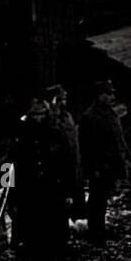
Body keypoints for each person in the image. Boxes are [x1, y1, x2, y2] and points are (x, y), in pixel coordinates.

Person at [10, 97, 72, 261]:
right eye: (34, 114)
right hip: (28, 190)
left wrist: (68, 190)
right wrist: (7, 191)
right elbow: (9, 164)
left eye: (41, 113)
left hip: (52, 189)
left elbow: (67, 163)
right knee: (30, 229)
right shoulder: (21, 135)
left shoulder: (56, 134)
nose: (38, 118)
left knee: (51, 227)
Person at [80, 80, 130, 245]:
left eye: (112, 94)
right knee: (97, 199)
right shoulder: (90, 116)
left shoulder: (110, 113)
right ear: (99, 95)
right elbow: (87, 147)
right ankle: (95, 232)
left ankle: (100, 229)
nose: (111, 97)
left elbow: (118, 138)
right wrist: (92, 168)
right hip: (100, 165)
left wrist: (124, 157)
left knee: (103, 198)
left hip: (111, 164)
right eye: (107, 94)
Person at [47, 85, 84, 219]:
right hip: (58, 167)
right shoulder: (48, 118)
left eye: (64, 99)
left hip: (73, 162)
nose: (63, 102)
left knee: (74, 194)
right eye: (60, 99)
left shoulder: (68, 116)